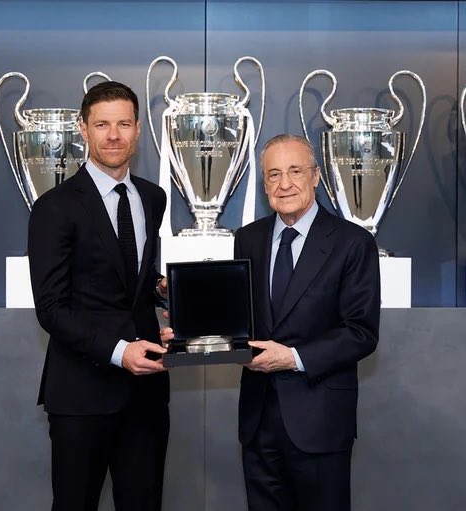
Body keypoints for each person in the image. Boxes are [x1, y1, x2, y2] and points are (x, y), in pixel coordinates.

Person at [162, 133, 381, 511]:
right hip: (258, 420)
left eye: (295, 171)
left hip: (320, 421)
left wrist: (292, 357)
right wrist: (190, 327)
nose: (284, 183)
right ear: (264, 184)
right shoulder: (249, 238)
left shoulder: (353, 242)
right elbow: (241, 317)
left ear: (315, 176)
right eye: (274, 174)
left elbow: (361, 332)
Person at [28, 80, 170, 511]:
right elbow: (51, 308)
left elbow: (131, 278)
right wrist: (119, 351)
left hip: (146, 394)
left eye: (123, 124)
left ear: (138, 129)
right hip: (81, 394)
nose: (113, 135)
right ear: (83, 129)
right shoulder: (54, 207)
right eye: (102, 124)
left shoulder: (153, 197)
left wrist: (162, 290)